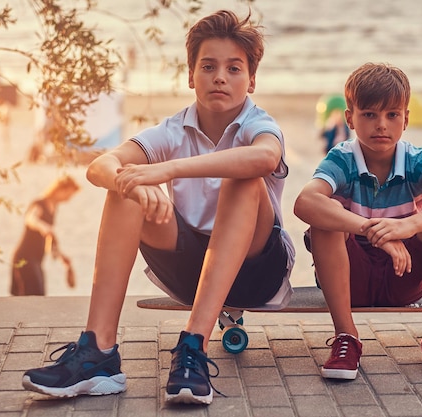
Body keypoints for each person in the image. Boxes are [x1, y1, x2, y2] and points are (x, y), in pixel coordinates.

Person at [21, 10, 295, 406]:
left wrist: (165, 169)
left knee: (244, 178)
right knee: (125, 185)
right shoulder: (172, 128)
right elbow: (100, 166)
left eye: (234, 68)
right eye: (208, 66)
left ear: (251, 80)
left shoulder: (259, 125)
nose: (220, 76)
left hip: (256, 272)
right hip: (189, 271)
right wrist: (130, 182)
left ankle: (193, 348)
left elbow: (265, 159)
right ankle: (98, 354)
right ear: (190, 76)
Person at [294, 62, 422, 380]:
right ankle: (346, 338)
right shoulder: (341, 158)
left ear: (405, 119)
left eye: (392, 115)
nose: (382, 125)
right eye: (370, 114)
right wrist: (371, 228)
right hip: (350, 280)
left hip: (404, 275)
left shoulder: (417, 160)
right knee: (325, 218)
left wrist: (408, 226)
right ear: (350, 118)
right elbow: (304, 202)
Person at [11, 175, 79, 296]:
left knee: (38, 295)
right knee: (32, 297)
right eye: (68, 194)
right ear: (59, 190)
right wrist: (43, 227)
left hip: (36, 260)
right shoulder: (39, 203)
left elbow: (49, 240)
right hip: (24, 258)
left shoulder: (54, 207)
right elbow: (30, 219)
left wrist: (61, 256)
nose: (69, 198)